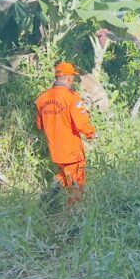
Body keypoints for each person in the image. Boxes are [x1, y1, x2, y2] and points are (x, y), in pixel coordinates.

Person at [35, 62, 96, 205]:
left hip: (55, 151)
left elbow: (40, 125)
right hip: (72, 151)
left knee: (64, 175)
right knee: (77, 186)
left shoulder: (42, 99)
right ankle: (71, 217)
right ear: (69, 79)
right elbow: (82, 124)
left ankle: (48, 198)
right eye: (73, 78)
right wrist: (92, 134)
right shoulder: (72, 98)